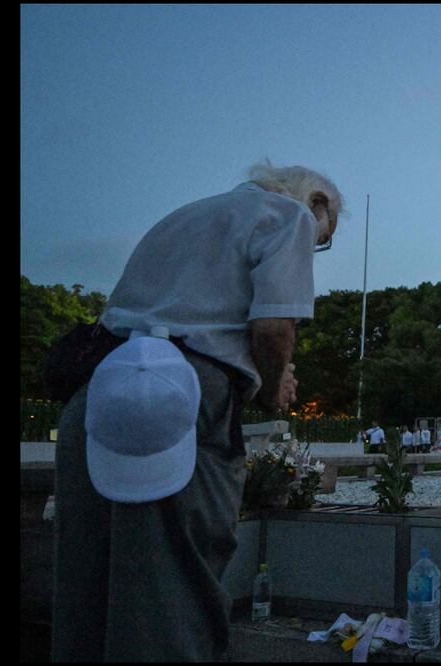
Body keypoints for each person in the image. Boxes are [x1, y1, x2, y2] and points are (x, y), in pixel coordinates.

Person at [51, 162, 343, 662]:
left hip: (100, 394)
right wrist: (274, 387)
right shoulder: (285, 215)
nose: (315, 245)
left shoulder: (181, 217)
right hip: (182, 400)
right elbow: (273, 329)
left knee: (87, 590)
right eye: (324, 236)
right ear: (315, 203)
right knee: (173, 592)